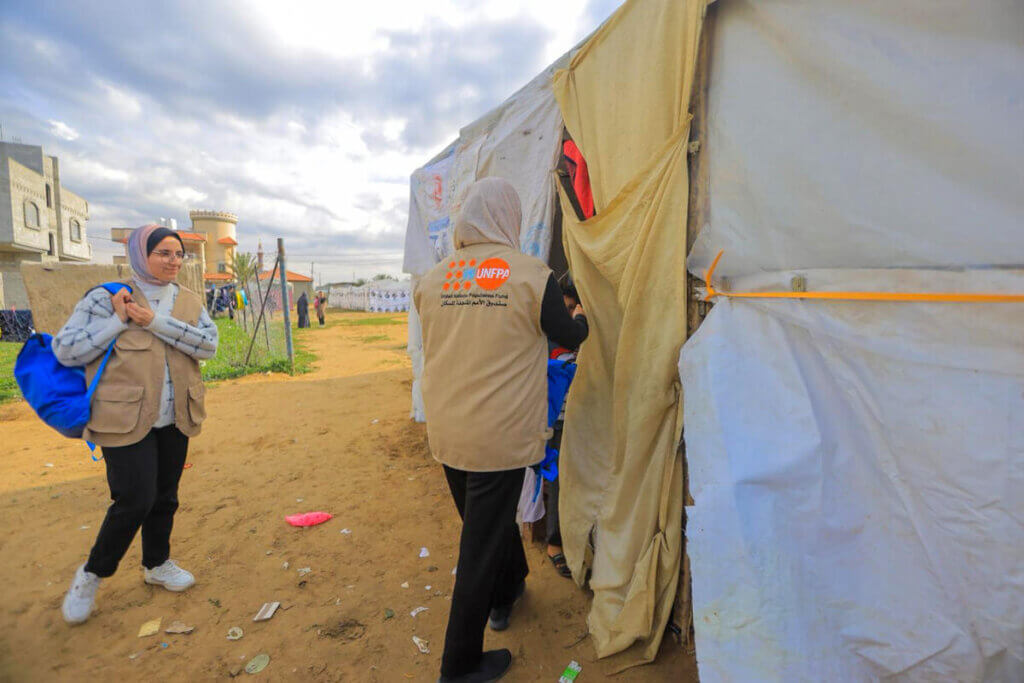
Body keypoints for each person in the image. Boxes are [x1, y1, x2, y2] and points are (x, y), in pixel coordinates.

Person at [415, 178, 588, 682]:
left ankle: (508, 589)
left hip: (449, 430)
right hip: (499, 435)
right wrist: (584, 315)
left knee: (485, 525)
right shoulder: (532, 276)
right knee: (478, 544)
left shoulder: (434, 279)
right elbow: (568, 334)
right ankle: (459, 664)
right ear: (508, 217)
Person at [52, 224, 218, 625]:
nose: (173, 261)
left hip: (176, 415)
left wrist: (153, 322)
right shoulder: (104, 298)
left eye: (179, 254)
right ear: (141, 254)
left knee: (165, 496)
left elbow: (208, 345)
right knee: (134, 500)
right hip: (123, 418)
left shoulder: (190, 300)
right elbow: (66, 349)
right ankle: (91, 574)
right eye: (163, 253)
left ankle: (156, 564)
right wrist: (117, 322)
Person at [544, 282, 583, 579]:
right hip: (557, 424)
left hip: (582, 421)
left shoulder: (585, 343)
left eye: (574, 309)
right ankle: (554, 543)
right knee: (557, 481)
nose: (569, 315)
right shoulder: (547, 343)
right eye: (565, 309)